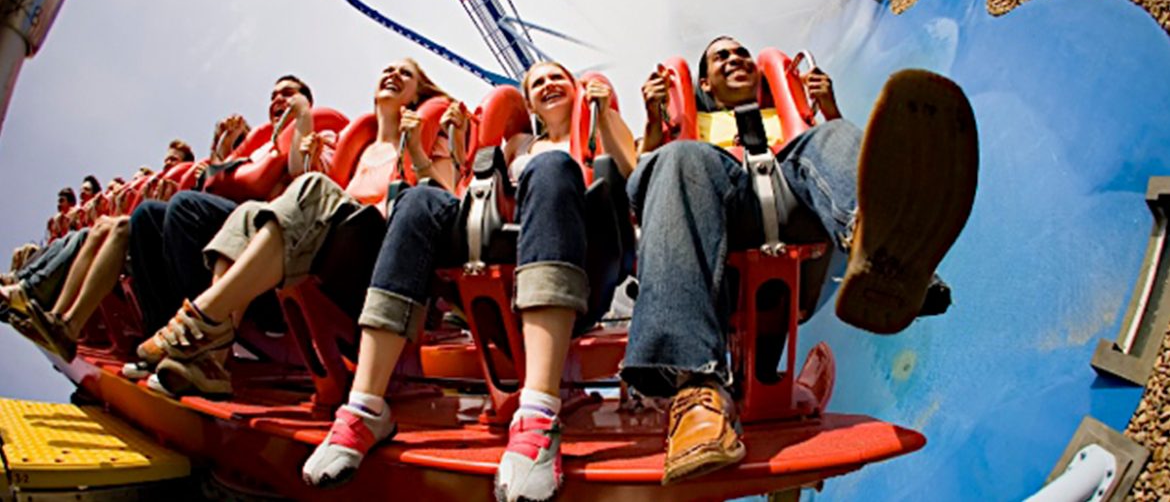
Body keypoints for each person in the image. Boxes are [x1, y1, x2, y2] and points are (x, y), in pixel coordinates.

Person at [622, 36, 978, 484]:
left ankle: (888, 258)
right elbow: (643, 178)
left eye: (741, 54)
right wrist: (656, 123)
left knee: (836, 133)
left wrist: (828, 110)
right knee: (677, 159)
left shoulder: (794, 123)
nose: (735, 59)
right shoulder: (694, 133)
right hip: (723, 208)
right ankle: (696, 396)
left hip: (796, 200)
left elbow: (834, 167)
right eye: (721, 57)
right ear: (706, 86)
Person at [300, 62, 636, 502]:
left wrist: (603, 113)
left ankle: (537, 416)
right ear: (529, 103)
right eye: (538, 83)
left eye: (557, 77)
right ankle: (364, 408)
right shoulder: (514, 146)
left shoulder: (595, 131)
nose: (549, 84)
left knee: (552, 167)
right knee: (418, 201)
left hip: (583, 265)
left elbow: (629, 177)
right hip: (492, 275)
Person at [141, 59, 457, 397]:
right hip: (337, 254)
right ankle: (212, 358)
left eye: (405, 73)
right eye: (387, 70)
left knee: (314, 187)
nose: (393, 75)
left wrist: (415, 153)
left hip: (382, 258)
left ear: (414, 95)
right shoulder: (359, 151)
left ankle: (199, 319)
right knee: (249, 212)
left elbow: (442, 202)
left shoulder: (427, 138)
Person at [124, 75, 332, 347]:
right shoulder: (259, 145)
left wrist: (303, 113)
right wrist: (223, 145)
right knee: (147, 216)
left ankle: (205, 331)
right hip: (234, 219)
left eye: (287, 93)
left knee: (185, 208)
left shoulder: (321, 131)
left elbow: (300, 172)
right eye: (273, 96)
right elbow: (215, 187)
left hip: (273, 245)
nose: (278, 99)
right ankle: (161, 329)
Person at [15, 140, 196, 361]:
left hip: (166, 255)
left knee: (102, 230)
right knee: (99, 226)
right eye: (166, 159)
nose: (168, 163)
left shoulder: (187, 180)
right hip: (142, 244)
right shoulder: (155, 185)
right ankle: (57, 318)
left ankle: (43, 301)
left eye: (174, 159)